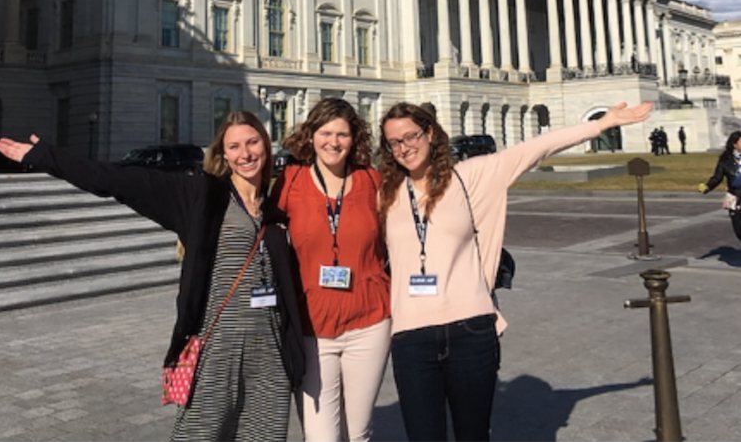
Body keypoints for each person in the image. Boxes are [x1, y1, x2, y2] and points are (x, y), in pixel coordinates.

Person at [0, 110, 304, 442]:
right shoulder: (201, 195)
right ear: (223, 154)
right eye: (234, 146)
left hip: (269, 354)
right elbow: (117, 180)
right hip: (217, 349)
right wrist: (46, 158)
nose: (245, 154)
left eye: (253, 142)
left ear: (266, 146)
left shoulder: (276, 207)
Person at [378, 100, 652, 442]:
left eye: (411, 136)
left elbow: (535, 148)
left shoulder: (472, 175)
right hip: (411, 335)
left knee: (474, 435)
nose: (405, 147)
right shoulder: (384, 193)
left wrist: (602, 123)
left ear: (430, 133)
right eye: (395, 142)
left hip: (470, 328)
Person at [271, 98, 390, 442]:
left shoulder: (370, 180)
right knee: (321, 435)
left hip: (369, 320)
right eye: (325, 133)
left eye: (342, 134)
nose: (333, 142)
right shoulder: (291, 181)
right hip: (312, 325)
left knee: (358, 431)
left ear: (355, 139)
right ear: (310, 135)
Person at [699, 130, 741, 242]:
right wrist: (708, 186)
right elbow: (718, 177)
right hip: (735, 198)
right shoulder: (725, 160)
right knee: (739, 230)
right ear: (734, 144)